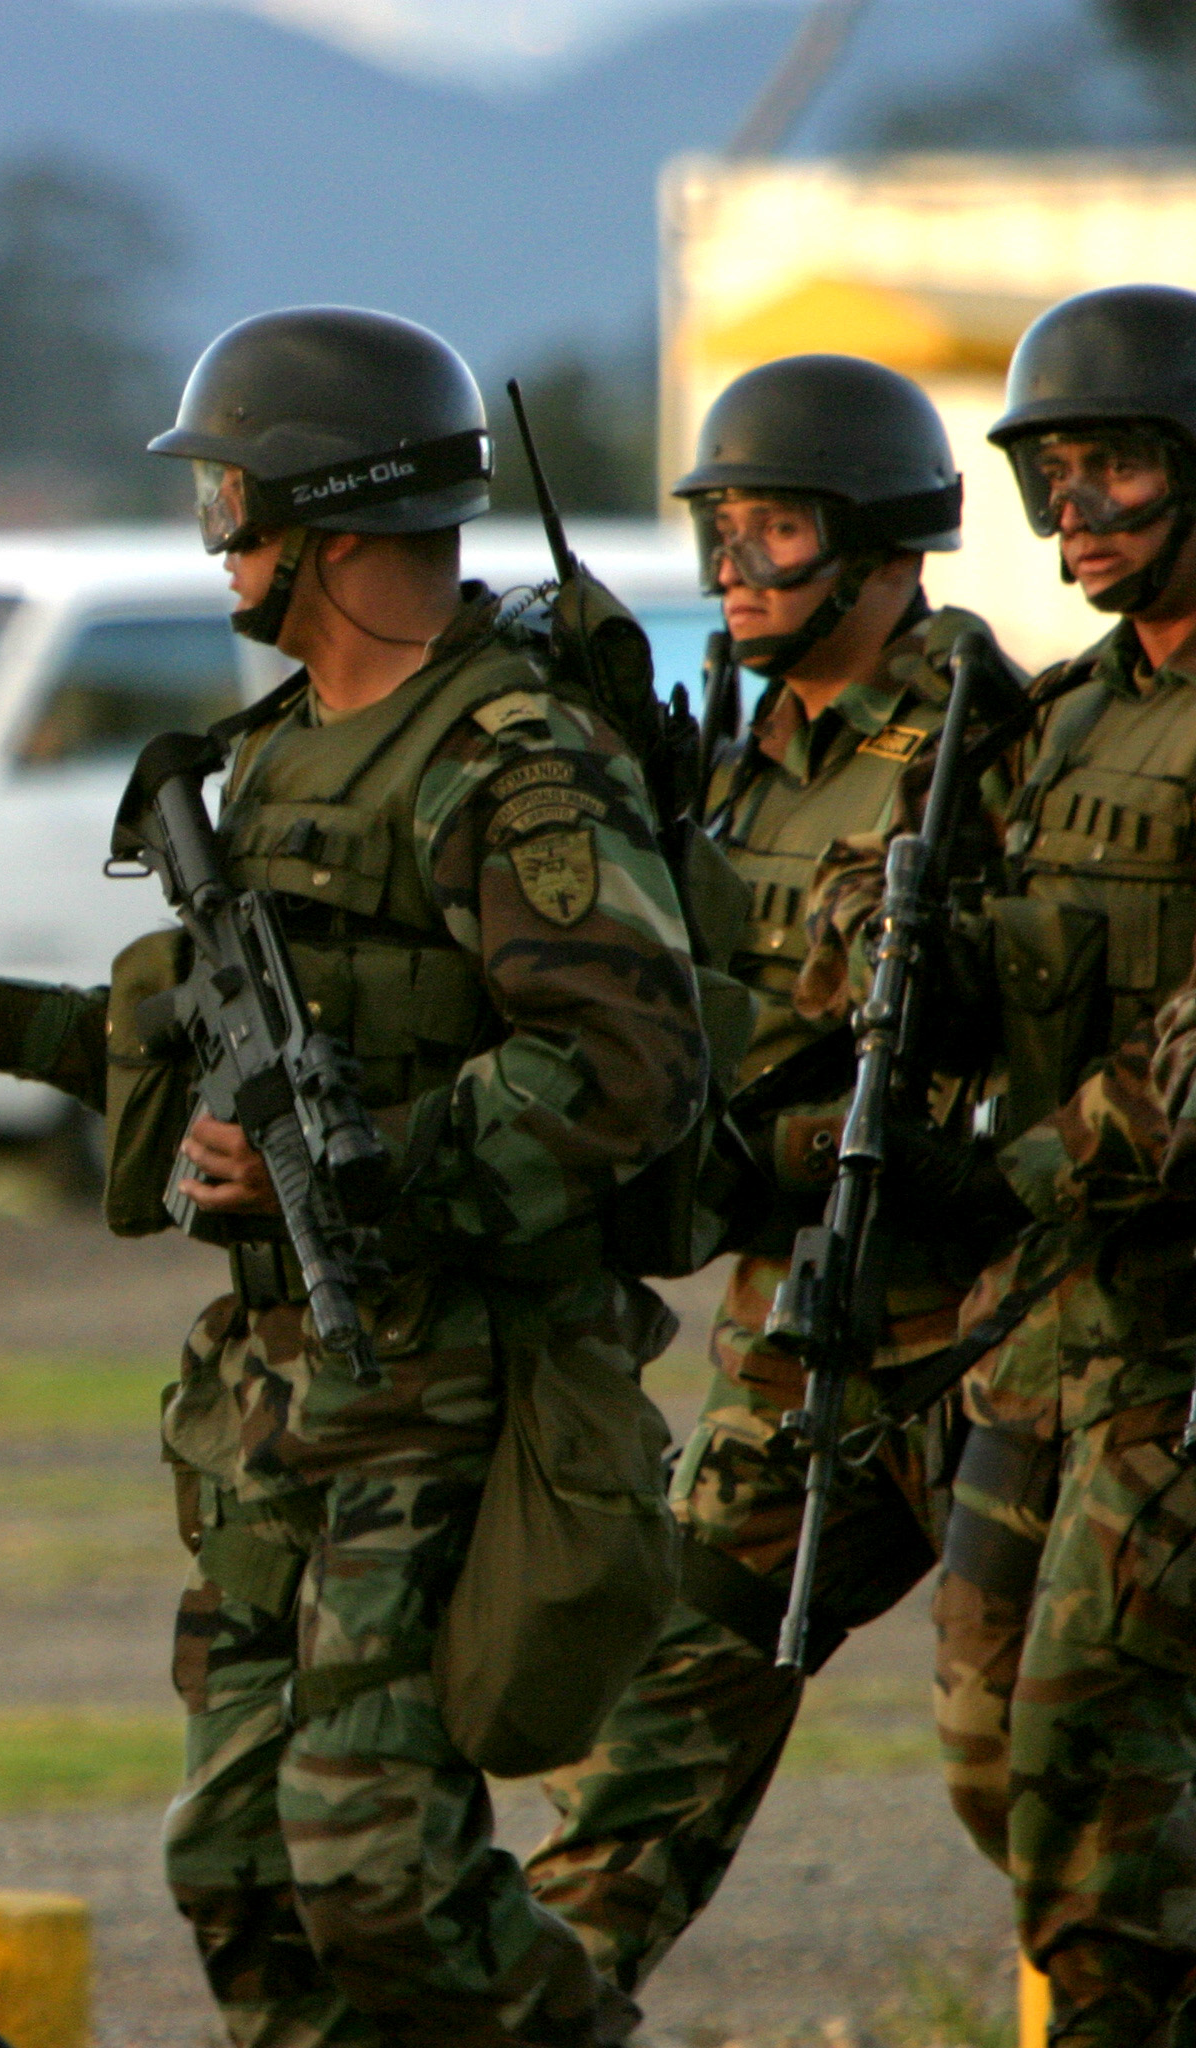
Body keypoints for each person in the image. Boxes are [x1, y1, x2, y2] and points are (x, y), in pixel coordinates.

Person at [0, 305, 706, 2047]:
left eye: (236, 496)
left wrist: (374, 1170)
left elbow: (627, 1063)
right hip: (278, 1395)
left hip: (448, 1377)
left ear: (338, 519)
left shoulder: (505, 759)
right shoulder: (277, 753)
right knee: (240, 1867)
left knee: (374, 1864)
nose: (215, 529)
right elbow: (201, 1050)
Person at [524, 354, 1032, 1995]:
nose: (736, 564)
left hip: (986, 1337)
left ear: (888, 546)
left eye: (777, 529)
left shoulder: (985, 742)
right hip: (798, 1331)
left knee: (1040, 1771)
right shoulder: (748, 754)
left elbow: (1013, 1033)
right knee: (641, 1759)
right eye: (720, 529)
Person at [932, 282, 1196, 2046]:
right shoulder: (1073, 715)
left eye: (1113, 468)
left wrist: (1016, 1166)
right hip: (1046, 1329)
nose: (1077, 509)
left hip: (1176, 1338)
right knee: (991, 1754)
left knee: (1091, 1782)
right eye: (1054, 476)